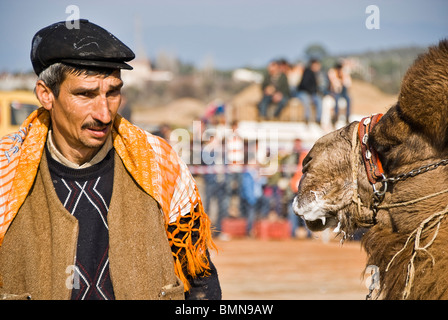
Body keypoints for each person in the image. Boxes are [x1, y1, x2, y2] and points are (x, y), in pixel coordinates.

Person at [0, 19, 221, 300]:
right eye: (86, 94)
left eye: (113, 92)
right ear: (46, 94)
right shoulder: (6, 169)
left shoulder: (158, 162)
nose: (104, 113)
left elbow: (201, 280)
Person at [296, 59, 323, 124]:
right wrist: (310, 94)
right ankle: (307, 118)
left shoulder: (317, 74)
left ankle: (318, 119)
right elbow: (305, 85)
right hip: (303, 92)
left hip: (312, 93)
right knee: (306, 101)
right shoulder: (307, 72)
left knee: (319, 100)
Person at [328, 61, 352, 125]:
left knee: (349, 99)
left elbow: (348, 84)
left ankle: (347, 116)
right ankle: (335, 116)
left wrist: (344, 77)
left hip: (343, 92)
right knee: (336, 100)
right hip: (335, 92)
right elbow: (335, 85)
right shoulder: (333, 73)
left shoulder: (344, 74)